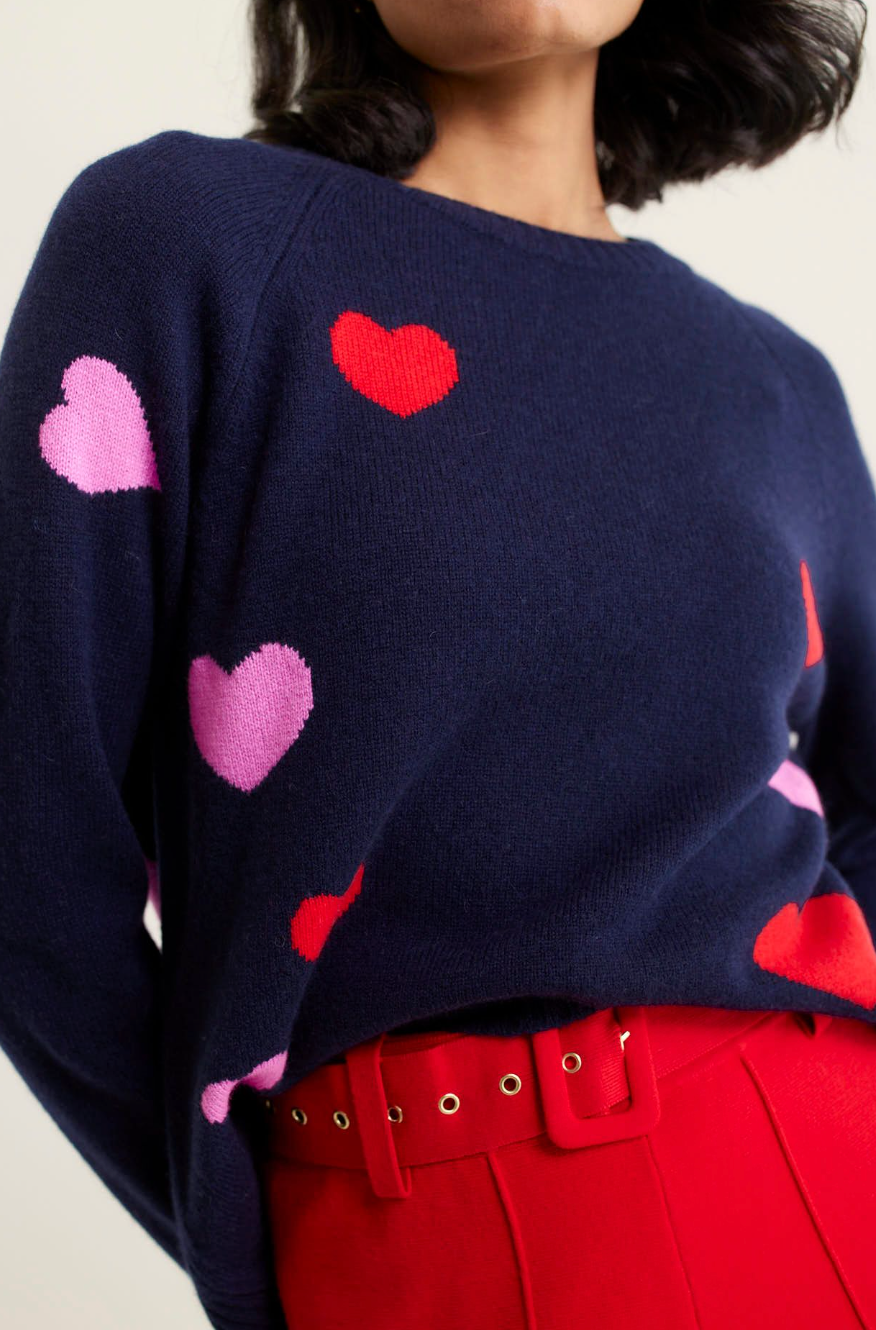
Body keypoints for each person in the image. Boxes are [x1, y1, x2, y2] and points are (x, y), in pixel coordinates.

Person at [1, 0, 874, 1326]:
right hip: (416, 1215)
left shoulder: (777, 384)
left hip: (822, 1157)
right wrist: (251, 1225)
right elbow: (27, 841)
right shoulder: (184, 244)